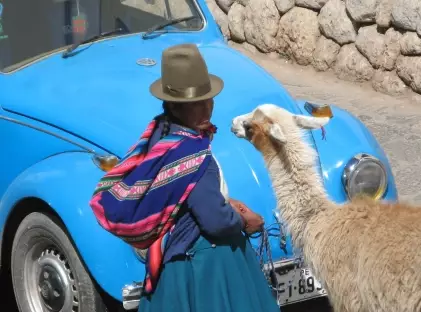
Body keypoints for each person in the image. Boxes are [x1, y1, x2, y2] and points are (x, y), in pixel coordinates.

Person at [90, 43, 281, 312]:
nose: (206, 108)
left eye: (208, 98)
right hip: (202, 269)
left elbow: (182, 195)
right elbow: (215, 221)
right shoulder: (193, 156)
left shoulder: (159, 133)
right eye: (196, 103)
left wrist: (224, 200)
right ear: (175, 106)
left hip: (169, 261)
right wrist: (243, 220)